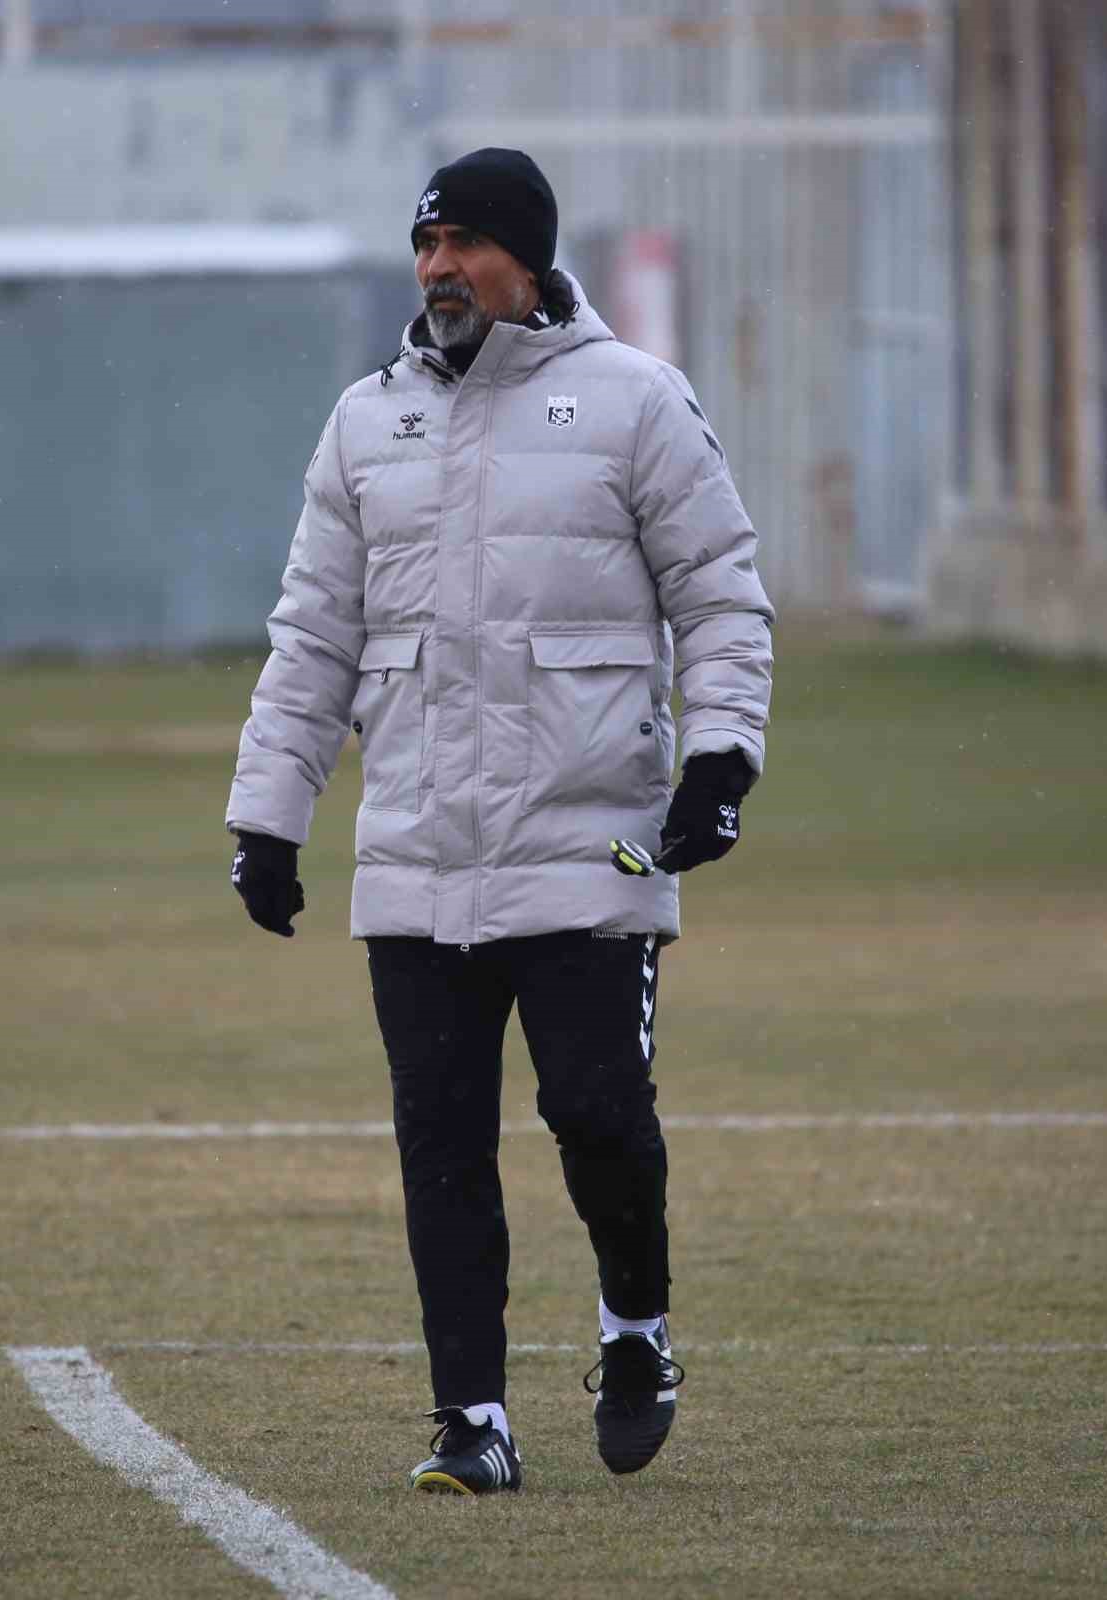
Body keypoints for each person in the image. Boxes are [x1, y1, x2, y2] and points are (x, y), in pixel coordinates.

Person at [227, 147, 773, 1496]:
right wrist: (269, 816)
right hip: (414, 854)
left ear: (524, 257)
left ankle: (634, 1329)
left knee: (596, 1115)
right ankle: (469, 1419)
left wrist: (718, 762)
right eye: (424, 243)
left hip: (591, 843)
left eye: (464, 241)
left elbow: (717, 597)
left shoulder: (637, 402)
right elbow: (311, 638)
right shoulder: (364, 422)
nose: (437, 268)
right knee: (440, 1150)